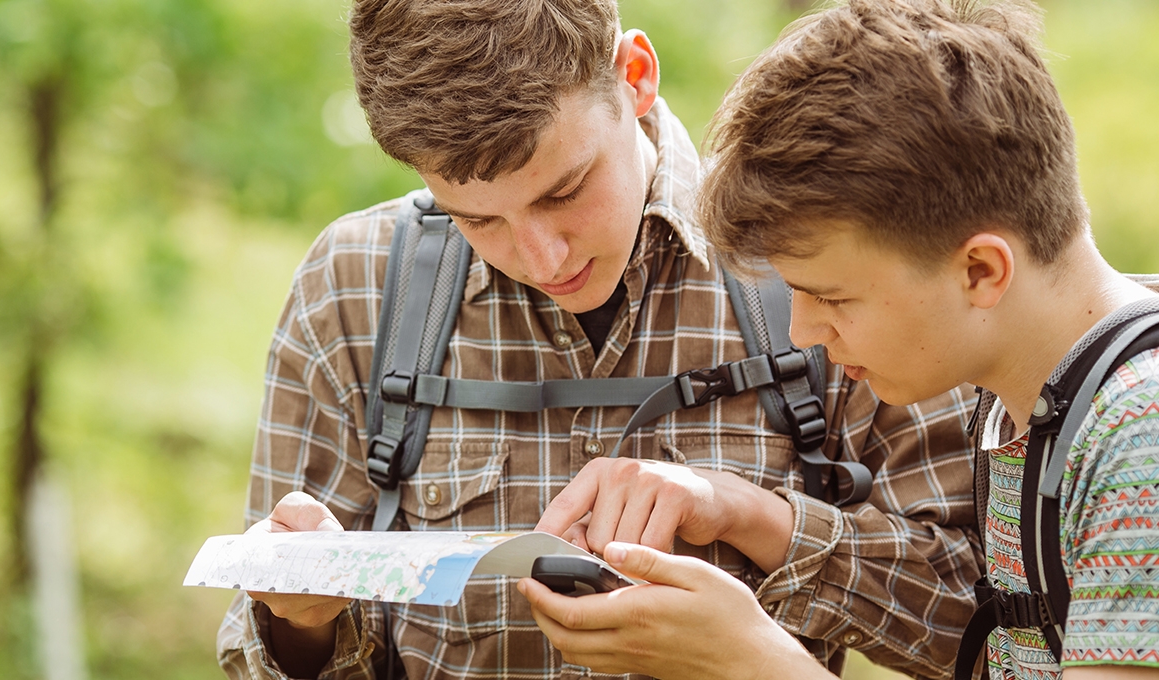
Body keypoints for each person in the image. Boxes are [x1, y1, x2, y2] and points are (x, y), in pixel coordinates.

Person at [217, 1, 980, 679]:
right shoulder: (358, 285)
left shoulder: (810, 259)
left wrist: (758, 520)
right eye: (478, 220)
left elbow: (975, 625)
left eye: (565, 190)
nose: (543, 257)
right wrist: (300, 620)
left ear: (635, 76)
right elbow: (262, 655)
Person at [519, 0, 1159, 678]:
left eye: (832, 295)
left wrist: (747, 658)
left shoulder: (1139, 438)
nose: (803, 332)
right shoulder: (1028, 412)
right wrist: (746, 515)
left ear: (981, 270)